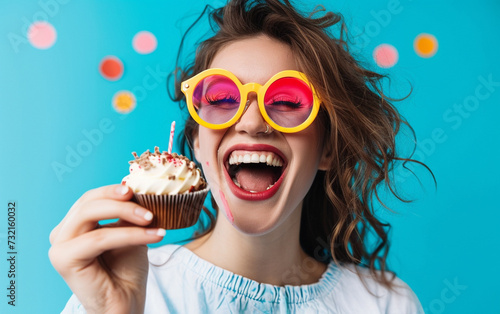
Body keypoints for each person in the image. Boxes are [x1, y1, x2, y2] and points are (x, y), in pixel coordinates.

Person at [50, 0, 430, 312]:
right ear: (198, 143)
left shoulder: (384, 304)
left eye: (285, 100)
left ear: (327, 148)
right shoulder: (121, 290)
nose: (251, 122)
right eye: (221, 98)